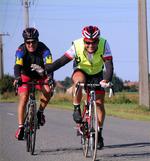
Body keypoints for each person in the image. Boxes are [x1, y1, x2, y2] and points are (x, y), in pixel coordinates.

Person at [31, 26, 113, 149]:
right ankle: (76, 109)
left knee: (100, 103)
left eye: (94, 42)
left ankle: (99, 134)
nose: (91, 46)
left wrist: (107, 79)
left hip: (97, 73)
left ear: (98, 40)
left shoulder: (104, 44)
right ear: (84, 40)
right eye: (88, 43)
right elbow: (61, 61)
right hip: (81, 70)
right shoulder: (76, 45)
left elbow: (109, 64)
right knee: (79, 82)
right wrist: (46, 70)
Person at [14, 27, 53, 140]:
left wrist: (50, 77)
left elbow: (49, 66)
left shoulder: (44, 49)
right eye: (28, 42)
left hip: (41, 75)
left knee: (48, 90)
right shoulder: (21, 50)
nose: (31, 44)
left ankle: (40, 112)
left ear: (37, 40)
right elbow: (17, 66)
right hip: (25, 75)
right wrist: (17, 78)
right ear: (25, 42)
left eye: (33, 42)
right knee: (24, 98)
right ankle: (21, 127)